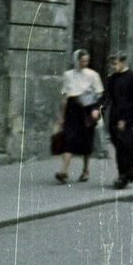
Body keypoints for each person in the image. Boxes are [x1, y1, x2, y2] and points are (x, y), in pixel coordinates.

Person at [55, 49, 103, 183]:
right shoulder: (68, 75)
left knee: (86, 141)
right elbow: (64, 97)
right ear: (75, 60)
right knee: (68, 139)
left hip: (87, 110)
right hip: (72, 110)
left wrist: (95, 110)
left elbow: (99, 95)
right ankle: (64, 172)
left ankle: (85, 170)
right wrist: (62, 117)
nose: (84, 64)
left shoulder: (93, 75)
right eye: (81, 61)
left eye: (86, 61)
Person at [105, 51, 133, 189]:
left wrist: (125, 119)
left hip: (130, 119)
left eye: (115, 64)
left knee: (129, 148)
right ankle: (126, 174)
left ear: (123, 62)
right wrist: (99, 109)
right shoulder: (112, 79)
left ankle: (124, 175)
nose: (113, 67)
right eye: (112, 64)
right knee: (119, 148)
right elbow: (107, 98)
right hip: (114, 118)